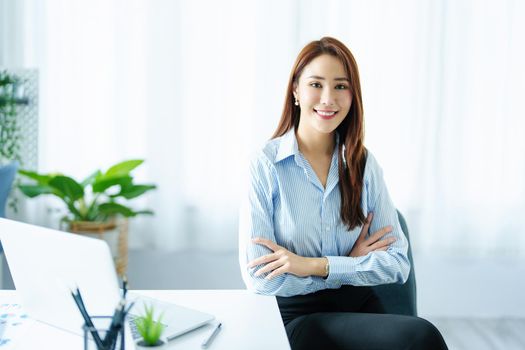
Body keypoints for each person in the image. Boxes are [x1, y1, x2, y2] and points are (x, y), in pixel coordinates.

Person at [238, 37, 448, 350]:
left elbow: (396, 264)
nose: (328, 99)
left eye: (340, 86)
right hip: (299, 318)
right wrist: (347, 264)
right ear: (295, 91)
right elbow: (261, 278)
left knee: (418, 336)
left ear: (353, 95)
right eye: (315, 84)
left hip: (360, 306)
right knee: (421, 337)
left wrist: (314, 265)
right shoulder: (267, 166)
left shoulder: (363, 164)